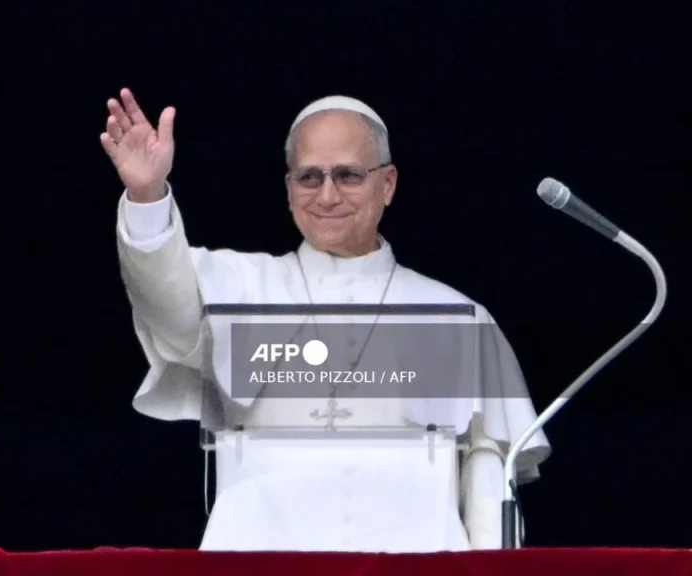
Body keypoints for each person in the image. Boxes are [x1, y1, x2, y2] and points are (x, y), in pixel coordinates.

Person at [102, 88, 550, 552]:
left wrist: (489, 573)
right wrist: (146, 196)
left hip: (415, 568)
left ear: (388, 184)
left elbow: (487, 486)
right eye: (309, 177)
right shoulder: (240, 287)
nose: (328, 195)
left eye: (349, 175)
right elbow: (168, 308)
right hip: (258, 565)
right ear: (289, 189)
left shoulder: (459, 320)